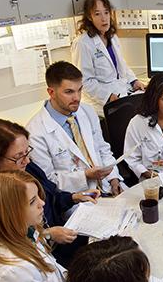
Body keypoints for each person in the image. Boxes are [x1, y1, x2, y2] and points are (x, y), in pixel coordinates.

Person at [0, 119, 98, 270]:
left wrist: (73, 197)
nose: (27, 160)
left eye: (27, 152)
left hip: (58, 238)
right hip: (31, 259)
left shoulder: (24, 168)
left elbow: (50, 194)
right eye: (19, 156)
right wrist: (45, 235)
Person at [27, 61, 123, 194]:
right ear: (51, 92)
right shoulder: (36, 132)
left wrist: (114, 180)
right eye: (69, 92)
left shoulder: (87, 111)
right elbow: (48, 181)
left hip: (107, 186)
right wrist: (85, 175)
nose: (77, 98)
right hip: (76, 198)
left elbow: (103, 150)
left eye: (79, 90)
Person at [71, 0, 144, 113]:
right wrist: (108, 96)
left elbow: (122, 65)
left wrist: (134, 81)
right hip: (100, 104)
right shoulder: (82, 43)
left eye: (106, 12)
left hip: (121, 94)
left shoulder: (112, 37)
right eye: (97, 14)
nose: (104, 18)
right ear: (89, 17)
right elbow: (85, 81)